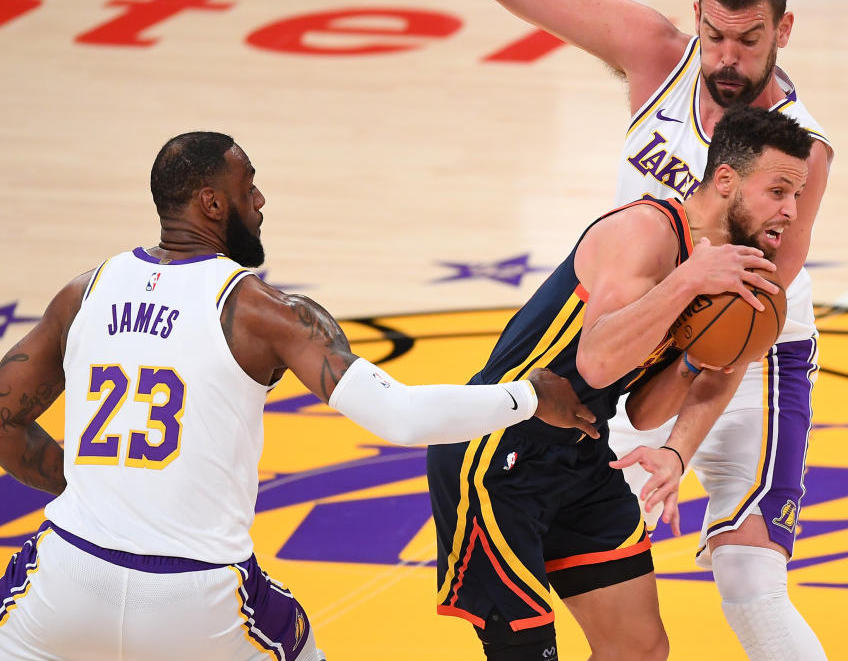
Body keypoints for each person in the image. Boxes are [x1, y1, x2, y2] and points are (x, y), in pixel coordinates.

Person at [400, 0, 834, 660]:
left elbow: (736, 326)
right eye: (715, 36)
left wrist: (679, 449)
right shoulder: (658, 55)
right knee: (616, 591)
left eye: (749, 41)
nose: (727, 60)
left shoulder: (796, 150)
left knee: (750, 579)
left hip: (745, 355)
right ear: (696, 14)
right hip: (639, 341)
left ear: (783, 30)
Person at [0, 131, 601, 661]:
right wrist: (528, 396)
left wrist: (77, 482)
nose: (259, 202)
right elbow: (400, 414)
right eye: (249, 186)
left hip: (67, 581)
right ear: (212, 203)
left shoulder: (86, 292)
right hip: (198, 599)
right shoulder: (265, 312)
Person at [427, 106, 809, 661]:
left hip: (581, 455)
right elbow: (597, 363)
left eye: (796, 195)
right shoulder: (645, 233)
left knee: (639, 650)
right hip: (498, 451)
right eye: (778, 190)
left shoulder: (735, 267)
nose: (791, 211)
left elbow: (647, 412)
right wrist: (685, 283)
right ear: (725, 180)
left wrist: (679, 436)